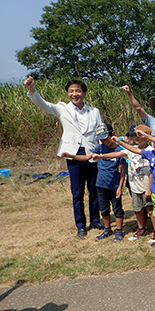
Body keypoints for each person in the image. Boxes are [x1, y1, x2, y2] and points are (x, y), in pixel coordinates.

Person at [24, 76, 104, 237]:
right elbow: (44, 105)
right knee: (77, 192)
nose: (75, 94)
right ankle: (80, 225)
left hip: (92, 153)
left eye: (78, 91)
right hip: (73, 154)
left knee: (94, 189)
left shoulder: (94, 111)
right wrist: (32, 89)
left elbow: (100, 132)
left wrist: (105, 151)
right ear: (68, 93)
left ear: (84, 93)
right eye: (72, 91)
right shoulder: (62, 108)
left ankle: (95, 219)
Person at [62, 123, 126, 242]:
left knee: (117, 209)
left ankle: (119, 230)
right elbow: (87, 157)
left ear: (112, 134)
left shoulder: (119, 150)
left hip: (114, 185)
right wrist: (71, 156)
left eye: (105, 138)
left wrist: (120, 187)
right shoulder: (100, 148)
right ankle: (107, 229)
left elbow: (122, 172)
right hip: (100, 184)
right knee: (104, 209)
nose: (103, 141)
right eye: (101, 139)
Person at [116, 127, 155, 248]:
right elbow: (134, 149)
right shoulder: (151, 154)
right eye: (153, 142)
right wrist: (120, 142)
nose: (154, 144)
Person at [93, 125, 154, 241]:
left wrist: (149, 188)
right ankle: (141, 229)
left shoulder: (150, 151)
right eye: (136, 136)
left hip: (146, 186)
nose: (136, 138)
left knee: (150, 209)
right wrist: (101, 156)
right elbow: (116, 154)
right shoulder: (132, 149)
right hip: (135, 186)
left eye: (139, 136)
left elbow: (151, 171)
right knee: (138, 209)